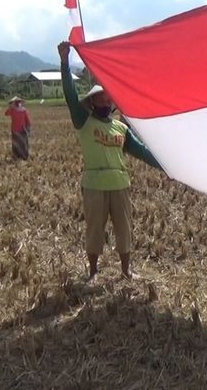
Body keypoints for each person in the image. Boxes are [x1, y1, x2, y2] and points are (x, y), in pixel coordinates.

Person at [58, 41, 162, 281]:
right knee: (95, 229)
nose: (105, 103)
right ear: (92, 102)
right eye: (100, 99)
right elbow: (71, 96)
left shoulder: (120, 128)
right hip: (94, 185)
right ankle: (93, 271)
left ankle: (126, 270)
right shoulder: (83, 121)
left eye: (108, 100)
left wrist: (166, 166)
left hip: (120, 184)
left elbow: (141, 151)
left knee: (124, 229)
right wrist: (65, 62)